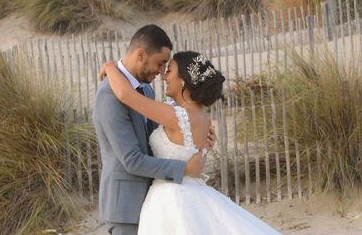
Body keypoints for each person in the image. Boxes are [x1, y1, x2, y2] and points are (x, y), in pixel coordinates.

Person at [102, 50, 282, 234]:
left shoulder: (175, 115)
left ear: (183, 81)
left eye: (169, 71)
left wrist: (110, 67)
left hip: (171, 199)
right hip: (191, 192)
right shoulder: (200, 114)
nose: (164, 76)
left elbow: (125, 95)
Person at [93, 25, 210, 235]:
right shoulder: (109, 95)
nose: (162, 71)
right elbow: (131, 160)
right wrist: (184, 168)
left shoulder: (145, 89)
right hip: (125, 209)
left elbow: (159, 138)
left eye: (167, 65)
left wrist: (192, 136)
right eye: (161, 62)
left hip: (156, 203)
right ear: (141, 54)